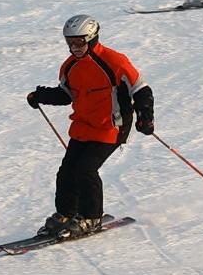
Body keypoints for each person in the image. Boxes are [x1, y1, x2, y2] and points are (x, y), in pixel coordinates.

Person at [26, 15, 154, 239]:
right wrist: (41, 95)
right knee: (67, 171)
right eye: (70, 43)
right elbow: (66, 95)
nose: (75, 48)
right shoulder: (70, 66)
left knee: (85, 169)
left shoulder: (114, 61)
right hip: (84, 127)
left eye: (79, 42)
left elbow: (141, 89)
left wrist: (146, 117)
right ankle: (66, 213)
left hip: (111, 127)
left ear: (92, 38)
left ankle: (91, 217)